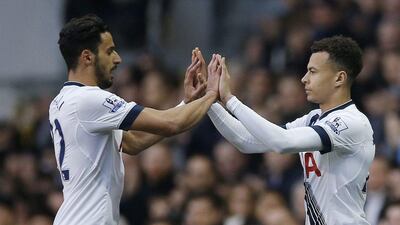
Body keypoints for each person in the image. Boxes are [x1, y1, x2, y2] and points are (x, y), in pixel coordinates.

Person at [49, 14, 220, 225]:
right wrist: (213, 92)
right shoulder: (89, 99)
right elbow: (172, 123)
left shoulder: (61, 102)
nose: (118, 59)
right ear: (87, 57)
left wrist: (186, 104)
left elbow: (134, 142)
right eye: (109, 51)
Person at [199, 36, 375, 224]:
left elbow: (282, 143)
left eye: (312, 72)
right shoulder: (312, 119)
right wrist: (209, 100)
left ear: (339, 78)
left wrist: (230, 99)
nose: (304, 79)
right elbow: (246, 141)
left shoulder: (352, 122)